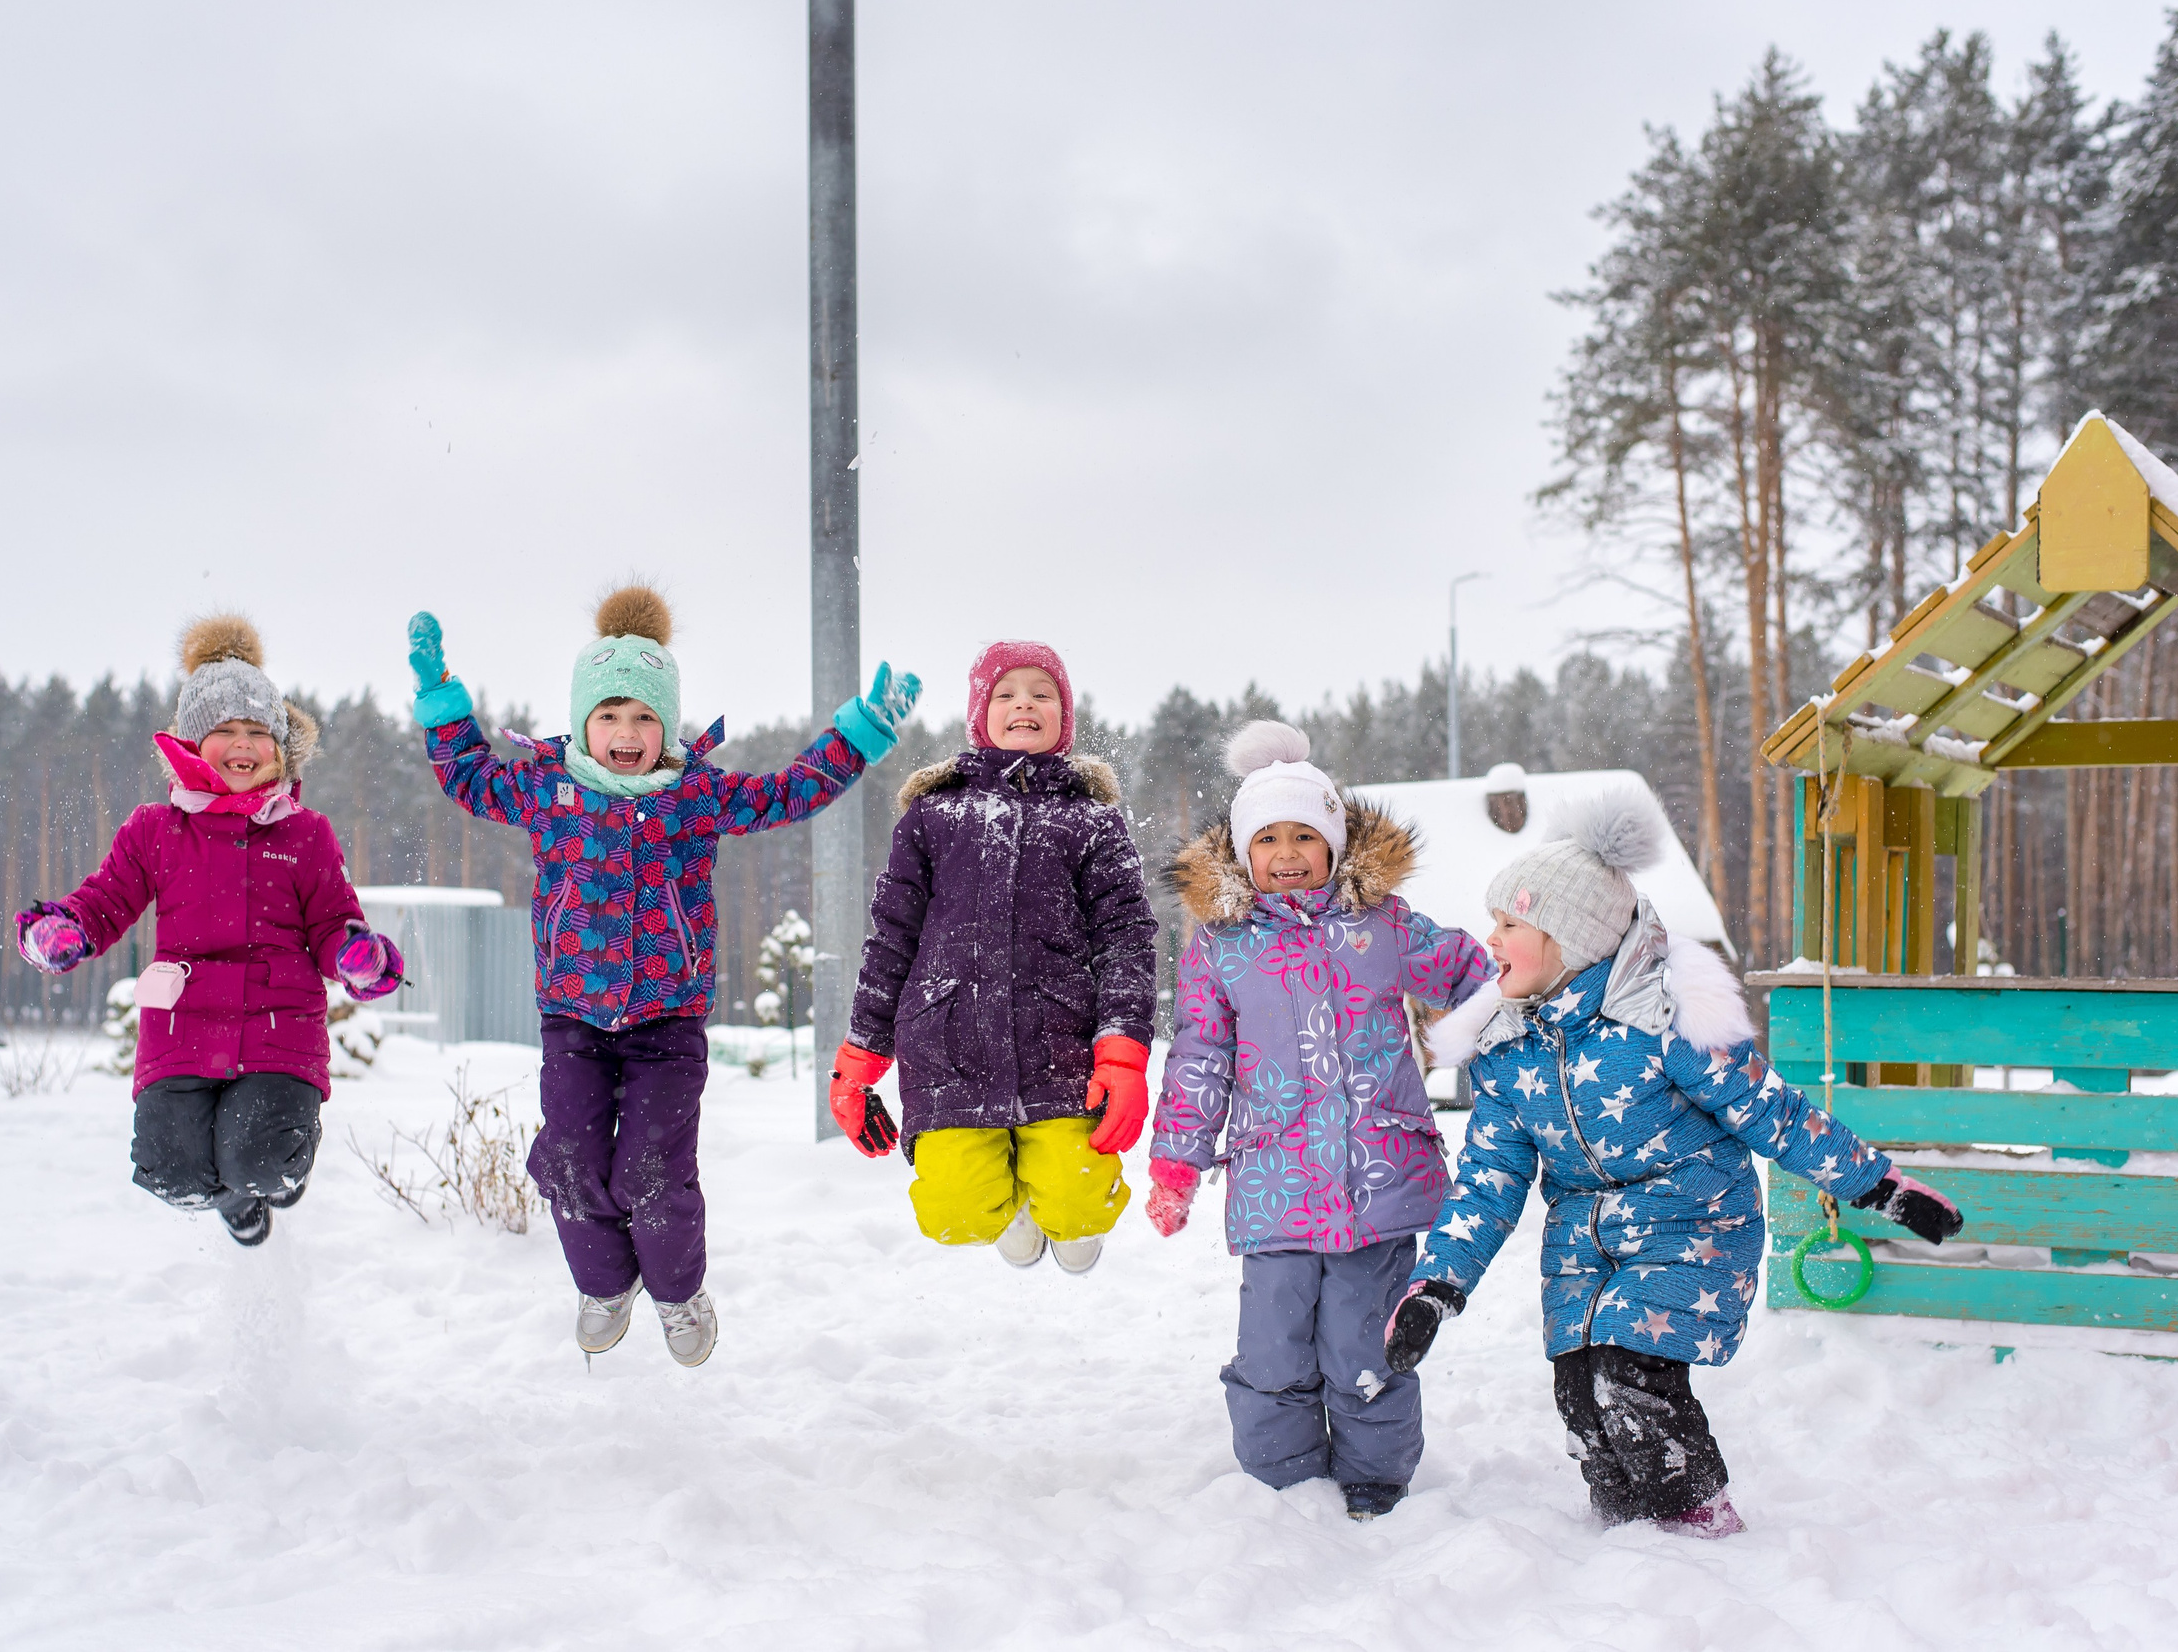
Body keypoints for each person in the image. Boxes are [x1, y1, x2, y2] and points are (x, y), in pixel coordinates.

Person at [1384, 784, 1965, 1536]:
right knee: (1581, 1394)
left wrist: (1877, 1184)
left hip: (1690, 1223)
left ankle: (1699, 1528)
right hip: (1584, 1246)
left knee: (1632, 1378)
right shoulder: (1506, 1047)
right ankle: (1626, 1531)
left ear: (1571, 938)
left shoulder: (1667, 1023)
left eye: (1509, 922)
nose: (1488, 939)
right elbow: (1490, 1180)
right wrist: (1438, 1285)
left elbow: (1773, 1112)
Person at [407, 586, 918, 1367]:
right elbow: (469, 778)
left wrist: (862, 731)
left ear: (667, 726)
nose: (627, 732)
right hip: (572, 1019)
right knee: (573, 1164)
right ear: (583, 722)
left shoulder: (693, 794)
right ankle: (605, 1283)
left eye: (645, 717)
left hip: (666, 1026)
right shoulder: (551, 790)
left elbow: (789, 793)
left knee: (652, 1171)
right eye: (610, 715)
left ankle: (678, 1293)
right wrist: (442, 701)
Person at [1140, 720, 1491, 1521]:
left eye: (1306, 834)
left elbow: (1475, 975)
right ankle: (1282, 1484)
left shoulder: (1385, 926)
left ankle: (1376, 1484)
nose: (1289, 852)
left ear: (1334, 843)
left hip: (1380, 1188)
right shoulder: (1221, 949)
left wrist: (1522, 1001)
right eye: (1269, 838)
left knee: (1365, 1347)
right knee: (1272, 1349)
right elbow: (1200, 1058)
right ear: (1242, 850)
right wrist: (1176, 1163)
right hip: (1275, 1190)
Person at [16, 616, 404, 1248]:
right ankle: (239, 1207)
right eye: (225, 730)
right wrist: (65, 929)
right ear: (191, 744)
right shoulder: (154, 830)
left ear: (280, 748)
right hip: (183, 1029)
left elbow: (334, 922)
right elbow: (108, 897)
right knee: (168, 1172)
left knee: (258, 1159)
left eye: (258, 731)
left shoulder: (305, 834)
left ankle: (275, 1176)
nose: (243, 744)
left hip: (279, 1031)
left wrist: (359, 956)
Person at [827, 641, 1158, 1275]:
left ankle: (1063, 1211)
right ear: (981, 714)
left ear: (1065, 718)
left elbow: (1126, 936)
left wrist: (1122, 1051)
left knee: (1080, 1195)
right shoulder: (931, 816)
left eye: (1042, 693)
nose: (1024, 704)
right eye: (1006, 693)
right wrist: (859, 1056)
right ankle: (1013, 1213)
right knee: (953, 1211)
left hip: (1059, 1047)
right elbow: (891, 937)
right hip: (948, 1047)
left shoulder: (1092, 820)